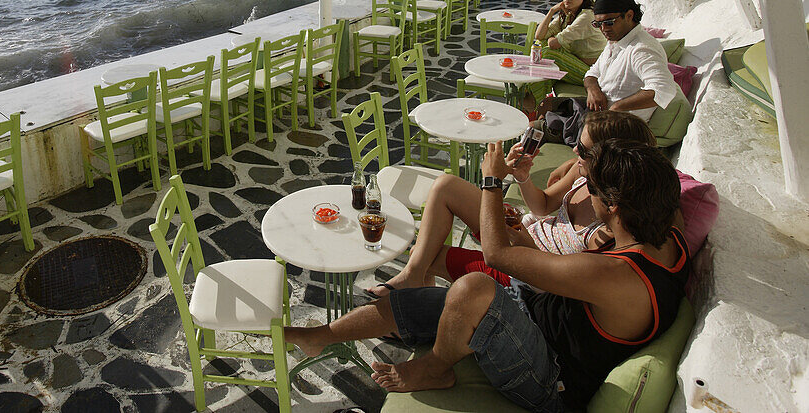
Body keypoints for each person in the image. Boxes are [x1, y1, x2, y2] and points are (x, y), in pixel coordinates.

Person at [286, 139, 689, 413]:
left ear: (615, 205)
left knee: (475, 287)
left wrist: (492, 181)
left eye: (593, 189)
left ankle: (436, 367)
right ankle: (318, 337)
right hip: (534, 317)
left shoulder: (615, 275)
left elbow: (497, 254)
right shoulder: (668, 237)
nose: (586, 191)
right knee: (424, 300)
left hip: (550, 378)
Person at [366, 111, 657, 300]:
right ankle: (411, 281)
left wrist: (493, 183)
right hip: (522, 230)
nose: (573, 151)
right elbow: (543, 206)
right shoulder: (582, 174)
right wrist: (523, 177)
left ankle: (411, 302)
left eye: (582, 149)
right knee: (445, 185)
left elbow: (564, 279)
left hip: (527, 270)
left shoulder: (610, 221)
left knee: (423, 252)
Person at [584, 0, 677, 121]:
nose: (603, 29)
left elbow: (664, 89)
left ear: (629, 15)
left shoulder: (641, 49)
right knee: (548, 107)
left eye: (609, 22)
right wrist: (593, 89)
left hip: (617, 125)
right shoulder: (616, 41)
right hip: (599, 113)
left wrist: (617, 108)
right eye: (598, 24)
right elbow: (592, 72)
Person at [535, 0, 606, 67]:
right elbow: (539, 36)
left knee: (548, 53)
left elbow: (553, 44)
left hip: (591, 69)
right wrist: (551, 11)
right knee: (539, 44)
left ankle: (531, 79)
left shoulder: (587, 16)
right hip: (576, 59)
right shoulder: (569, 13)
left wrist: (552, 38)